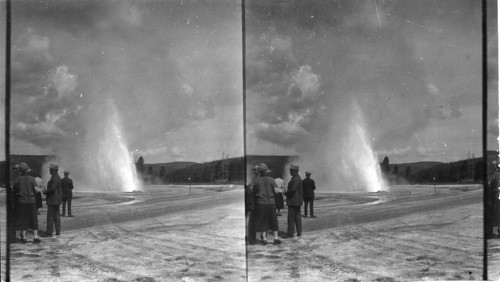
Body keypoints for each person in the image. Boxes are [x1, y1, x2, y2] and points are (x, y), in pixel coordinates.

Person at [12, 163, 41, 243]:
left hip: (21, 202)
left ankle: (24, 238)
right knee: (34, 218)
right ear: (27, 171)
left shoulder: (17, 179)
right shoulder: (32, 178)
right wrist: (40, 188)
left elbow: (12, 189)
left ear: (20, 171)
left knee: (23, 219)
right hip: (31, 201)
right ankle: (35, 237)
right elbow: (36, 190)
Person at [253, 163, 281, 245]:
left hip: (261, 203)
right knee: (274, 220)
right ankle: (276, 238)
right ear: (266, 171)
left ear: (259, 172)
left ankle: (264, 239)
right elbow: (276, 191)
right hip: (271, 203)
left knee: (262, 221)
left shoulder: (256, 180)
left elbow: (254, 191)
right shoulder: (272, 180)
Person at [282, 164, 303, 238]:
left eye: (291, 170)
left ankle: (290, 234)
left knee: (291, 218)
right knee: (297, 217)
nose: (290, 172)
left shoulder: (295, 179)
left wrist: (285, 193)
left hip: (293, 201)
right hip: (297, 201)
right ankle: (299, 232)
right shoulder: (297, 178)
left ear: (295, 171)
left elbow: (293, 189)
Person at [41, 164, 62, 237]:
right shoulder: (56, 177)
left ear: (55, 170)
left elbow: (52, 189)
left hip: (53, 200)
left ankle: (49, 233)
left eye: (51, 170)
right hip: (56, 200)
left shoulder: (55, 178)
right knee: (56, 216)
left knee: (50, 216)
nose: (50, 171)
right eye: (50, 170)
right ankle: (58, 231)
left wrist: (45, 192)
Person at [246, 165, 259, 244]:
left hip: (257, 203)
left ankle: (253, 239)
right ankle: (255, 238)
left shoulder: (258, 179)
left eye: (255, 169)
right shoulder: (255, 179)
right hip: (255, 202)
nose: (254, 171)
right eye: (253, 169)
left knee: (252, 222)